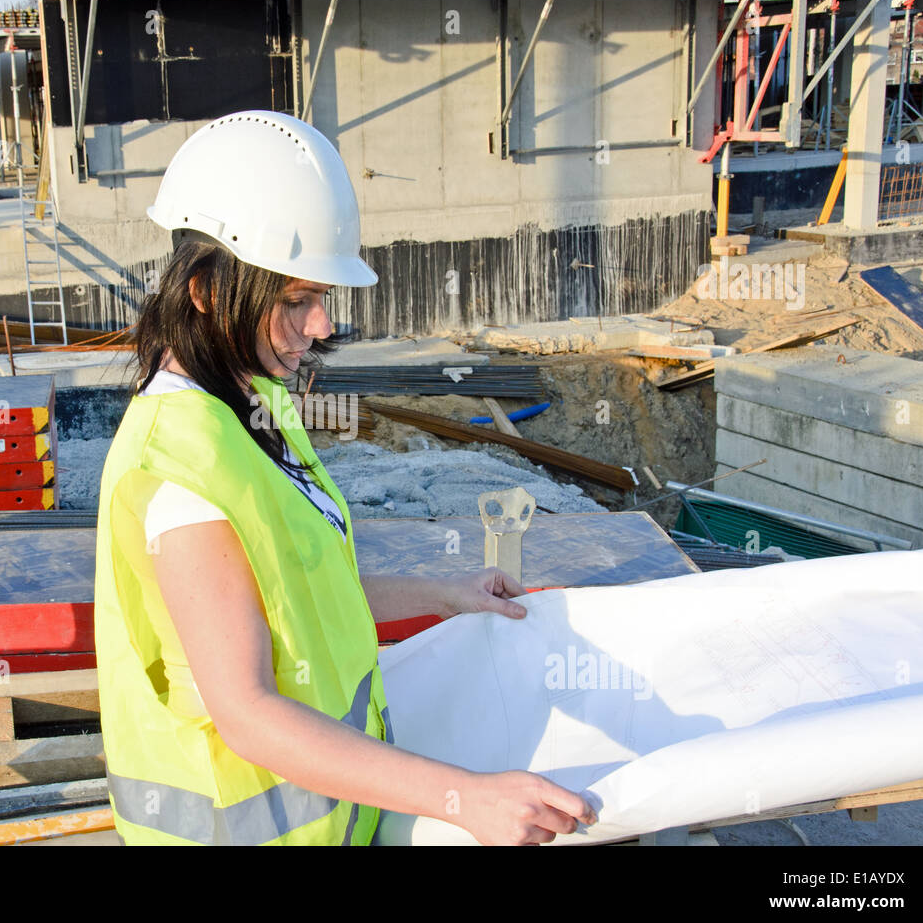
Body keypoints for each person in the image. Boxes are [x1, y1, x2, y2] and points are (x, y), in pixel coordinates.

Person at [94, 110, 596, 845]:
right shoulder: (179, 471)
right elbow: (247, 711)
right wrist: (464, 799)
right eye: (295, 300)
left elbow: (301, 596)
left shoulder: (247, 408)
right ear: (204, 289)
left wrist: (444, 594)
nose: (323, 324)